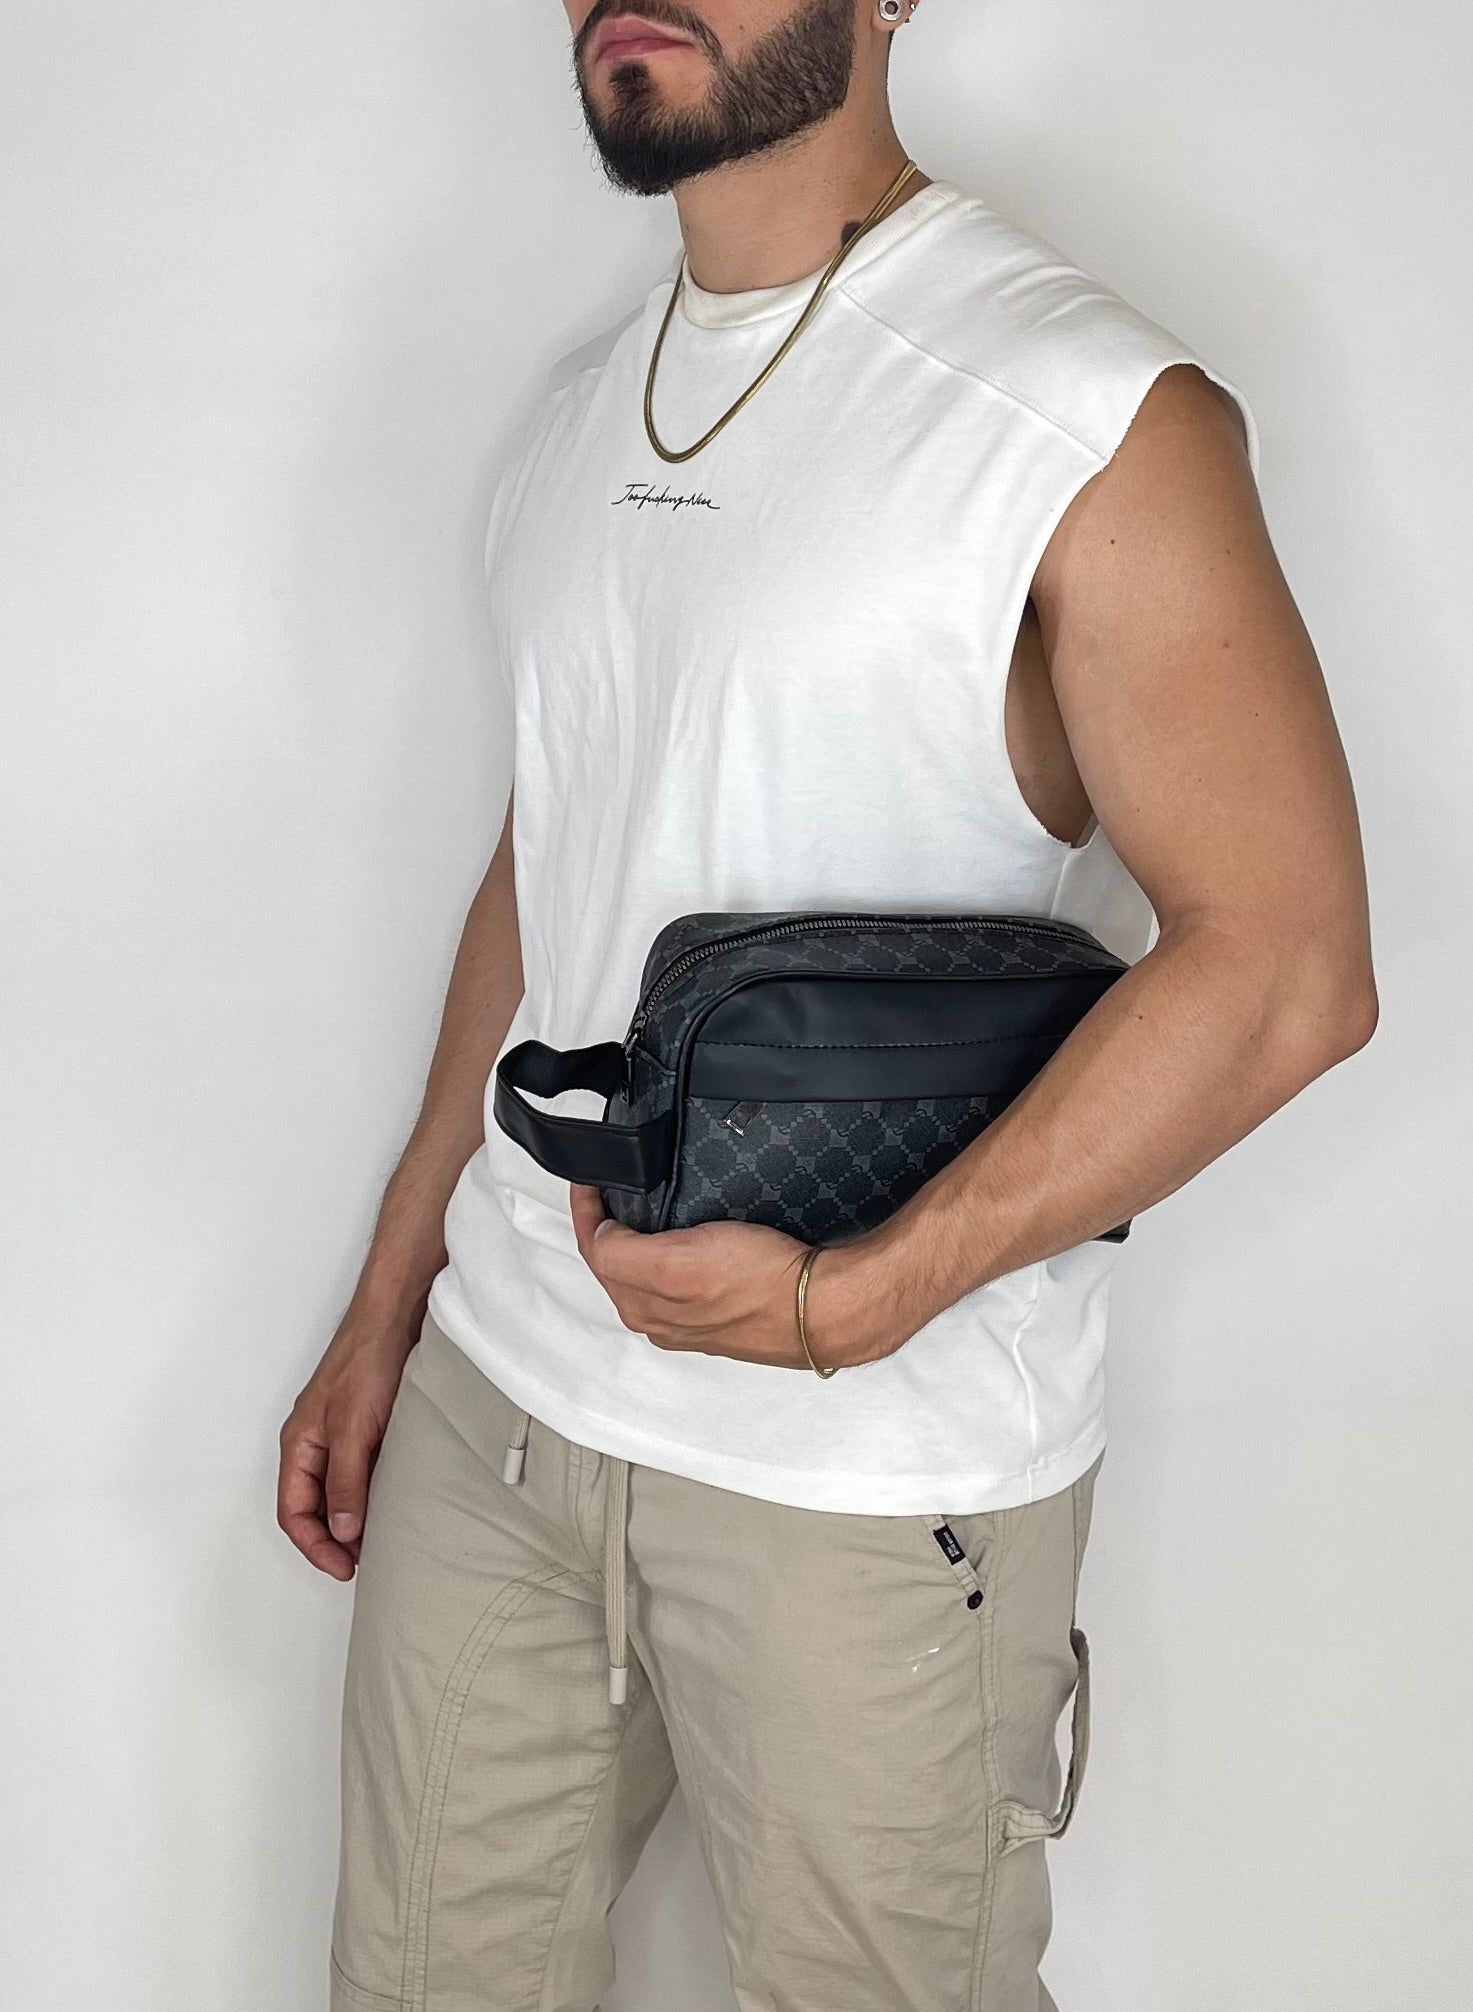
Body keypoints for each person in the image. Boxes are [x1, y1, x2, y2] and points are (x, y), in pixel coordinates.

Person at [278, 2, 1377, 2007]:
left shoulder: (1082, 409)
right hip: (495, 1419)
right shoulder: (576, 412)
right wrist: (391, 1293)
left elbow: (1286, 965)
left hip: (865, 1478)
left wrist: (854, 1302)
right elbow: (555, 860)